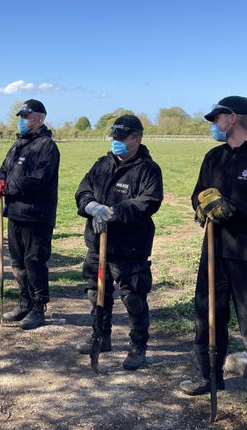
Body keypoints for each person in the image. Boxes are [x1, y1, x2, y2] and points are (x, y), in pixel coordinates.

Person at [178, 96, 247, 420]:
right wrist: (202, 207)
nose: (213, 124)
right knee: (207, 317)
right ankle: (208, 375)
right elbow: (199, 193)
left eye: (217, 118)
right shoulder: (213, 157)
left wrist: (231, 208)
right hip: (214, 251)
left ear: (234, 118)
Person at [74, 114, 163, 370]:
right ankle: (100, 337)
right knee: (97, 292)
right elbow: (83, 189)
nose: (116, 142)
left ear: (137, 138)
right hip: (98, 243)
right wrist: (90, 206)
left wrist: (113, 212)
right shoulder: (102, 163)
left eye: (122, 138)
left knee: (133, 297)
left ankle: (138, 347)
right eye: (114, 137)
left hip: (130, 246)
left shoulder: (147, 169)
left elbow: (149, 201)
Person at [0, 99, 60, 330]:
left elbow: (39, 179)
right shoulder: (18, 144)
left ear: (39, 119)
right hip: (15, 213)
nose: (22, 121)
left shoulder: (46, 146)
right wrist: (0, 180)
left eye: (26, 117)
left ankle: (38, 307)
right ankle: (24, 301)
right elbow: (4, 168)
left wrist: (9, 187)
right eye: (21, 117)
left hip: (36, 215)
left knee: (34, 261)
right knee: (18, 262)